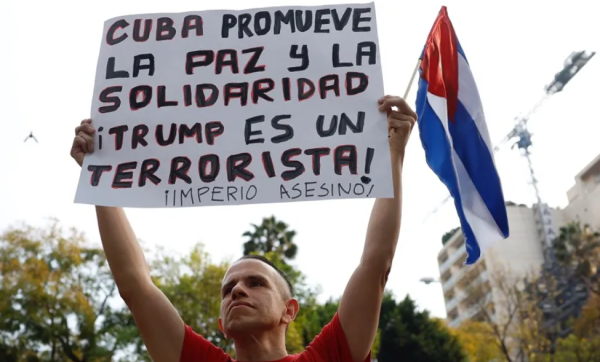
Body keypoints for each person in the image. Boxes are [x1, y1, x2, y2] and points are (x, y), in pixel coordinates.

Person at [70, 95, 416, 362]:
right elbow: (135, 286)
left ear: (289, 310)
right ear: (222, 325)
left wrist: (394, 153)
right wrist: (98, 180)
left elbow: (375, 264)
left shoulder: (330, 356)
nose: (236, 291)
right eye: (228, 289)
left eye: (255, 283)